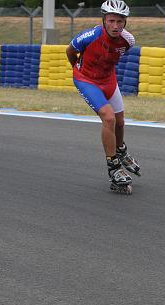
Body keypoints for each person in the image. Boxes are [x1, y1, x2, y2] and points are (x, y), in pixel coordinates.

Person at [66, 0, 140, 194]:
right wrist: (78, 69)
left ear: (125, 22)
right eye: (111, 21)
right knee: (109, 118)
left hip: (108, 80)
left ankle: (121, 150)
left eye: (120, 21)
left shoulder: (128, 41)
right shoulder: (90, 36)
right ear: (104, 20)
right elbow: (70, 51)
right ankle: (113, 167)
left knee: (120, 122)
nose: (115, 26)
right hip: (86, 80)